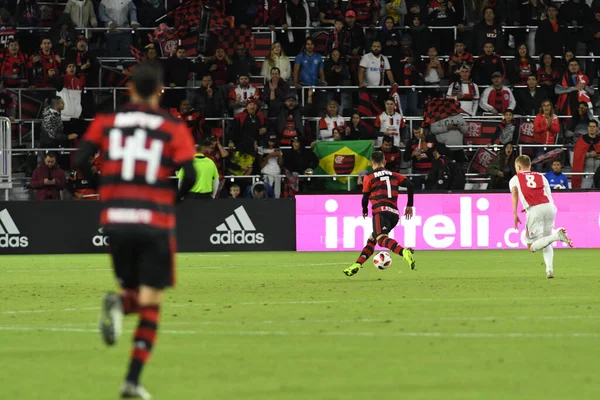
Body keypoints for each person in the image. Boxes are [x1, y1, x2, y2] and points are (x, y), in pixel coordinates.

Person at [74, 61, 197, 399]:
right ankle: (131, 379)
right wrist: (174, 199)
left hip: (116, 220)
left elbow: (79, 157)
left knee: (137, 296)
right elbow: (191, 174)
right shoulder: (172, 126)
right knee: (151, 302)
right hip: (153, 221)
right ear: (160, 90)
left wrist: (100, 184)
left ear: (129, 89)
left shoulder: (107, 121)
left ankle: (119, 305)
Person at [343, 151, 415, 277]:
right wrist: (409, 205)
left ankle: (403, 252)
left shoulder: (369, 177)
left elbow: (365, 197)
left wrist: (364, 209)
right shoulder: (394, 175)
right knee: (372, 240)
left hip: (380, 212)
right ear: (385, 162)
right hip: (394, 214)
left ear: (371, 163)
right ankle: (357, 265)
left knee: (381, 240)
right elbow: (410, 185)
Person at [509, 155, 574, 279]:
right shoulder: (541, 176)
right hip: (549, 207)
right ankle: (549, 271)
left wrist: (515, 213)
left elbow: (514, 194)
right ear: (530, 166)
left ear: (518, 167)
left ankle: (557, 236)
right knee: (545, 240)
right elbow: (548, 194)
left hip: (534, 209)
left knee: (531, 247)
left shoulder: (515, 178)